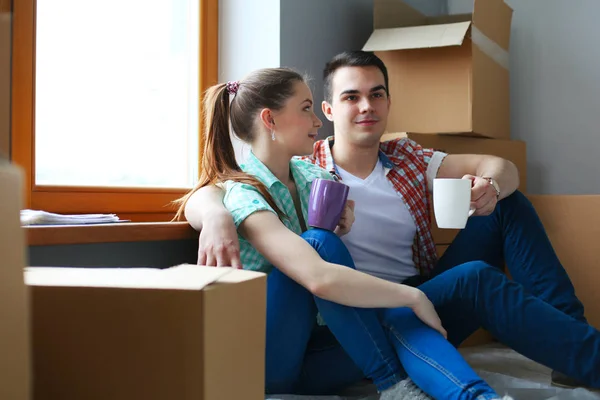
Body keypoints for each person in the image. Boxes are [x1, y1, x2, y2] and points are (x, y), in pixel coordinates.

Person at [184, 51, 600, 392]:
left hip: (420, 288)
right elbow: (221, 186)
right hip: (360, 308)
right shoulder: (305, 161)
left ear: (388, 102)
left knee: (508, 202)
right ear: (329, 110)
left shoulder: (405, 158)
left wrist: (489, 185)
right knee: (465, 275)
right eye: (350, 97)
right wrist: (215, 213)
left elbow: (502, 165)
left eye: (376, 94)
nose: (366, 106)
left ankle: (572, 342)